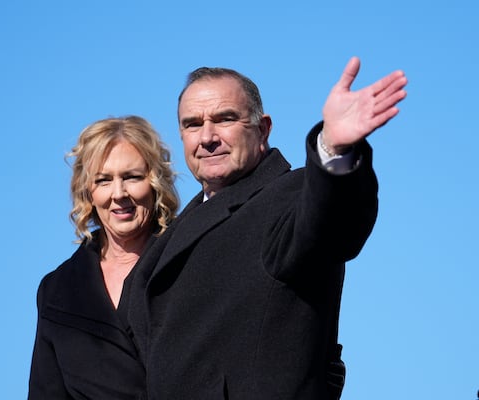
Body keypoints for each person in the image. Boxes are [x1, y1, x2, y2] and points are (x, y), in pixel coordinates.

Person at [127, 57, 407, 399]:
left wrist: (334, 148)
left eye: (225, 119)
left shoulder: (289, 195)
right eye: (192, 124)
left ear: (263, 129)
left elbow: (332, 225)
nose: (207, 137)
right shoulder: (169, 236)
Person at [28, 116, 179, 399]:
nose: (119, 194)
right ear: (88, 191)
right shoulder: (57, 290)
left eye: (132, 177)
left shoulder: (189, 257)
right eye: (104, 180)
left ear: (155, 182)